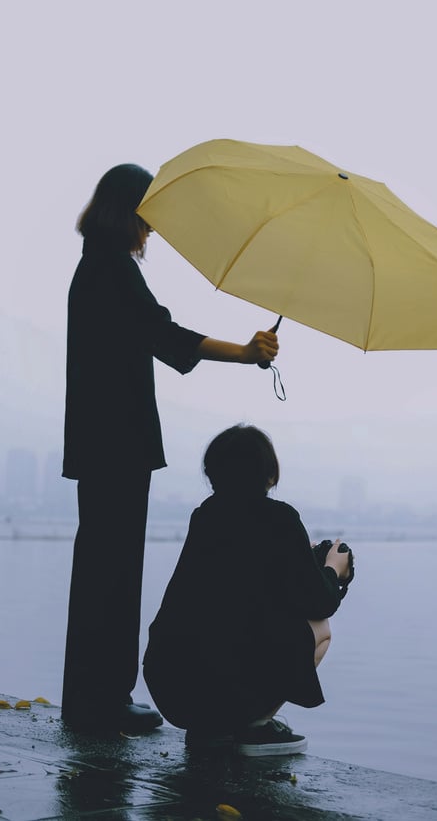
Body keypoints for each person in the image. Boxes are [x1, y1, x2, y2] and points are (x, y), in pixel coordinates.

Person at [61, 164, 279, 735]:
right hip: (117, 445)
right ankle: (103, 701)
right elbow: (164, 335)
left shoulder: (95, 268)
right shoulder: (111, 270)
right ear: (129, 212)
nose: (151, 233)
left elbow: (153, 334)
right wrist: (247, 353)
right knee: (113, 571)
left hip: (102, 443)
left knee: (100, 570)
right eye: (149, 220)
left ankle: (92, 698)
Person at [143, 424, 353, 756]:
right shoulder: (281, 519)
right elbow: (319, 602)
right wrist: (332, 569)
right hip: (228, 688)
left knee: (232, 639)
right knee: (321, 631)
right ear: (270, 475)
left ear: (212, 475)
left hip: (169, 684)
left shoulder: (205, 516)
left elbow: (235, 584)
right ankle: (253, 727)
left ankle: (209, 729)